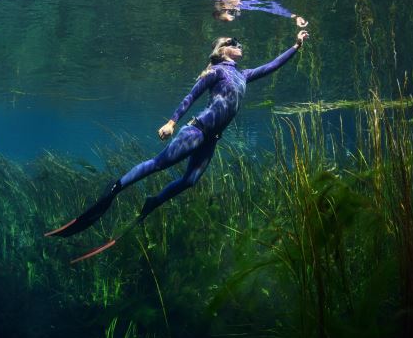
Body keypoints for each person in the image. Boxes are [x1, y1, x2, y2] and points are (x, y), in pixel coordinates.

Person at [46, 17, 309, 239]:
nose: (239, 45)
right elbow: (191, 96)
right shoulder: (217, 71)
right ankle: (114, 190)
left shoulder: (243, 75)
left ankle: (153, 202)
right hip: (197, 131)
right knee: (159, 164)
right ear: (221, 50)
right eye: (233, 42)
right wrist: (172, 122)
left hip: (211, 140)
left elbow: (272, 66)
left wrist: (296, 46)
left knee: (190, 181)